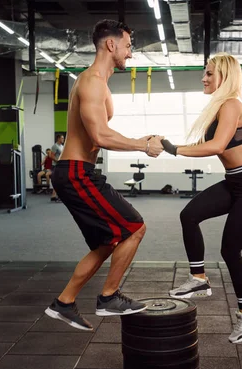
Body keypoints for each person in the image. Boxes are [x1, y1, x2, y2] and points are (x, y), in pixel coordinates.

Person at [45, 19, 164, 331]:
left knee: (107, 242)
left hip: (79, 171)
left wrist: (143, 140)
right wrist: (142, 145)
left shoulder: (100, 83)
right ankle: (109, 297)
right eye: (127, 46)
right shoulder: (92, 82)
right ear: (111, 45)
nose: (130, 53)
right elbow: (100, 135)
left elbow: (99, 135)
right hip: (75, 173)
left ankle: (64, 303)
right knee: (135, 227)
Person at [162, 53, 242, 344]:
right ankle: (198, 279)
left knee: (230, 251)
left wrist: (174, 150)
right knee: (189, 215)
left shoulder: (233, 104)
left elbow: (217, 146)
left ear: (224, 76)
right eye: (205, 73)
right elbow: (203, 144)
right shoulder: (220, 107)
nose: (204, 78)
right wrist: (164, 144)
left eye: (209, 74)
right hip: (234, 183)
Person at [50, 135, 64, 201]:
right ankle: (57, 195)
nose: (63, 139)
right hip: (56, 165)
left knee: (59, 180)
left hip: (61, 165)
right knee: (57, 180)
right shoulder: (55, 146)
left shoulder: (62, 146)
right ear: (58, 138)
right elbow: (51, 156)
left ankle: (54, 195)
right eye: (62, 138)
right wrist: (58, 161)